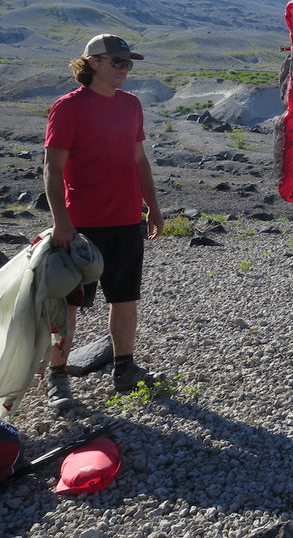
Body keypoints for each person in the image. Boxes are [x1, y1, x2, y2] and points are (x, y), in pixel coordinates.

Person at [42, 34, 164, 411]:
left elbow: (139, 160)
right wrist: (62, 222)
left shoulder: (131, 105)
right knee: (70, 304)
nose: (125, 70)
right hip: (82, 226)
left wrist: (153, 208)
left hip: (126, 220)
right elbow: (52, 168)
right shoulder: (68, 108)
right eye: (118, 63)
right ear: (93, 63)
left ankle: (125, 370)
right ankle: (57, 378)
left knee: (125, 299)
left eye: (128, 63)